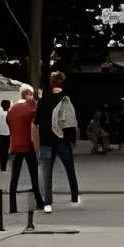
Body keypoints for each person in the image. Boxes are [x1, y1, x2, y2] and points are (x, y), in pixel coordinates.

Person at [38, 74, 82, 208]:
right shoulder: (67, 99)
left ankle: (48, 203)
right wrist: (72, 139)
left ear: (51, 83)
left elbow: (38, 121)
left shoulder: (44, 99)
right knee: (70, 169)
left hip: (46, 140)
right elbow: (71, 120)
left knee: (47, 173)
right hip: (62, 140)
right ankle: (74, 197)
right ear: (63, 83)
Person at [7, 83, 46, 213]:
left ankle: (13, 206)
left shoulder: (12, 109)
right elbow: (35, 115)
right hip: (27, 144)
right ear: (27, 94)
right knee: (33, 175)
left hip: (15, 145)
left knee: (14, 177)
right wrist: (32, 101)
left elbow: (9, 122)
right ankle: (39, 201)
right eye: (31, 94)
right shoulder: (27, 107)